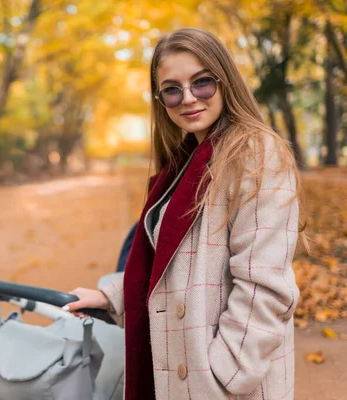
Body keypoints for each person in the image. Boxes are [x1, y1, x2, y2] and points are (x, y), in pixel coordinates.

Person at [63, 27, 307, 400]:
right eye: (172, 89)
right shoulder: (186, 158)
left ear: (225, 81)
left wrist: (225, 374)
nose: (188, 99)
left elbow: (265, 288)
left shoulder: (256, 155)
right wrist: (113, 296)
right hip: (186, 370)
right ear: (160, 99)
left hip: (222, 384)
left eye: (202, 83)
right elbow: (174, 260)